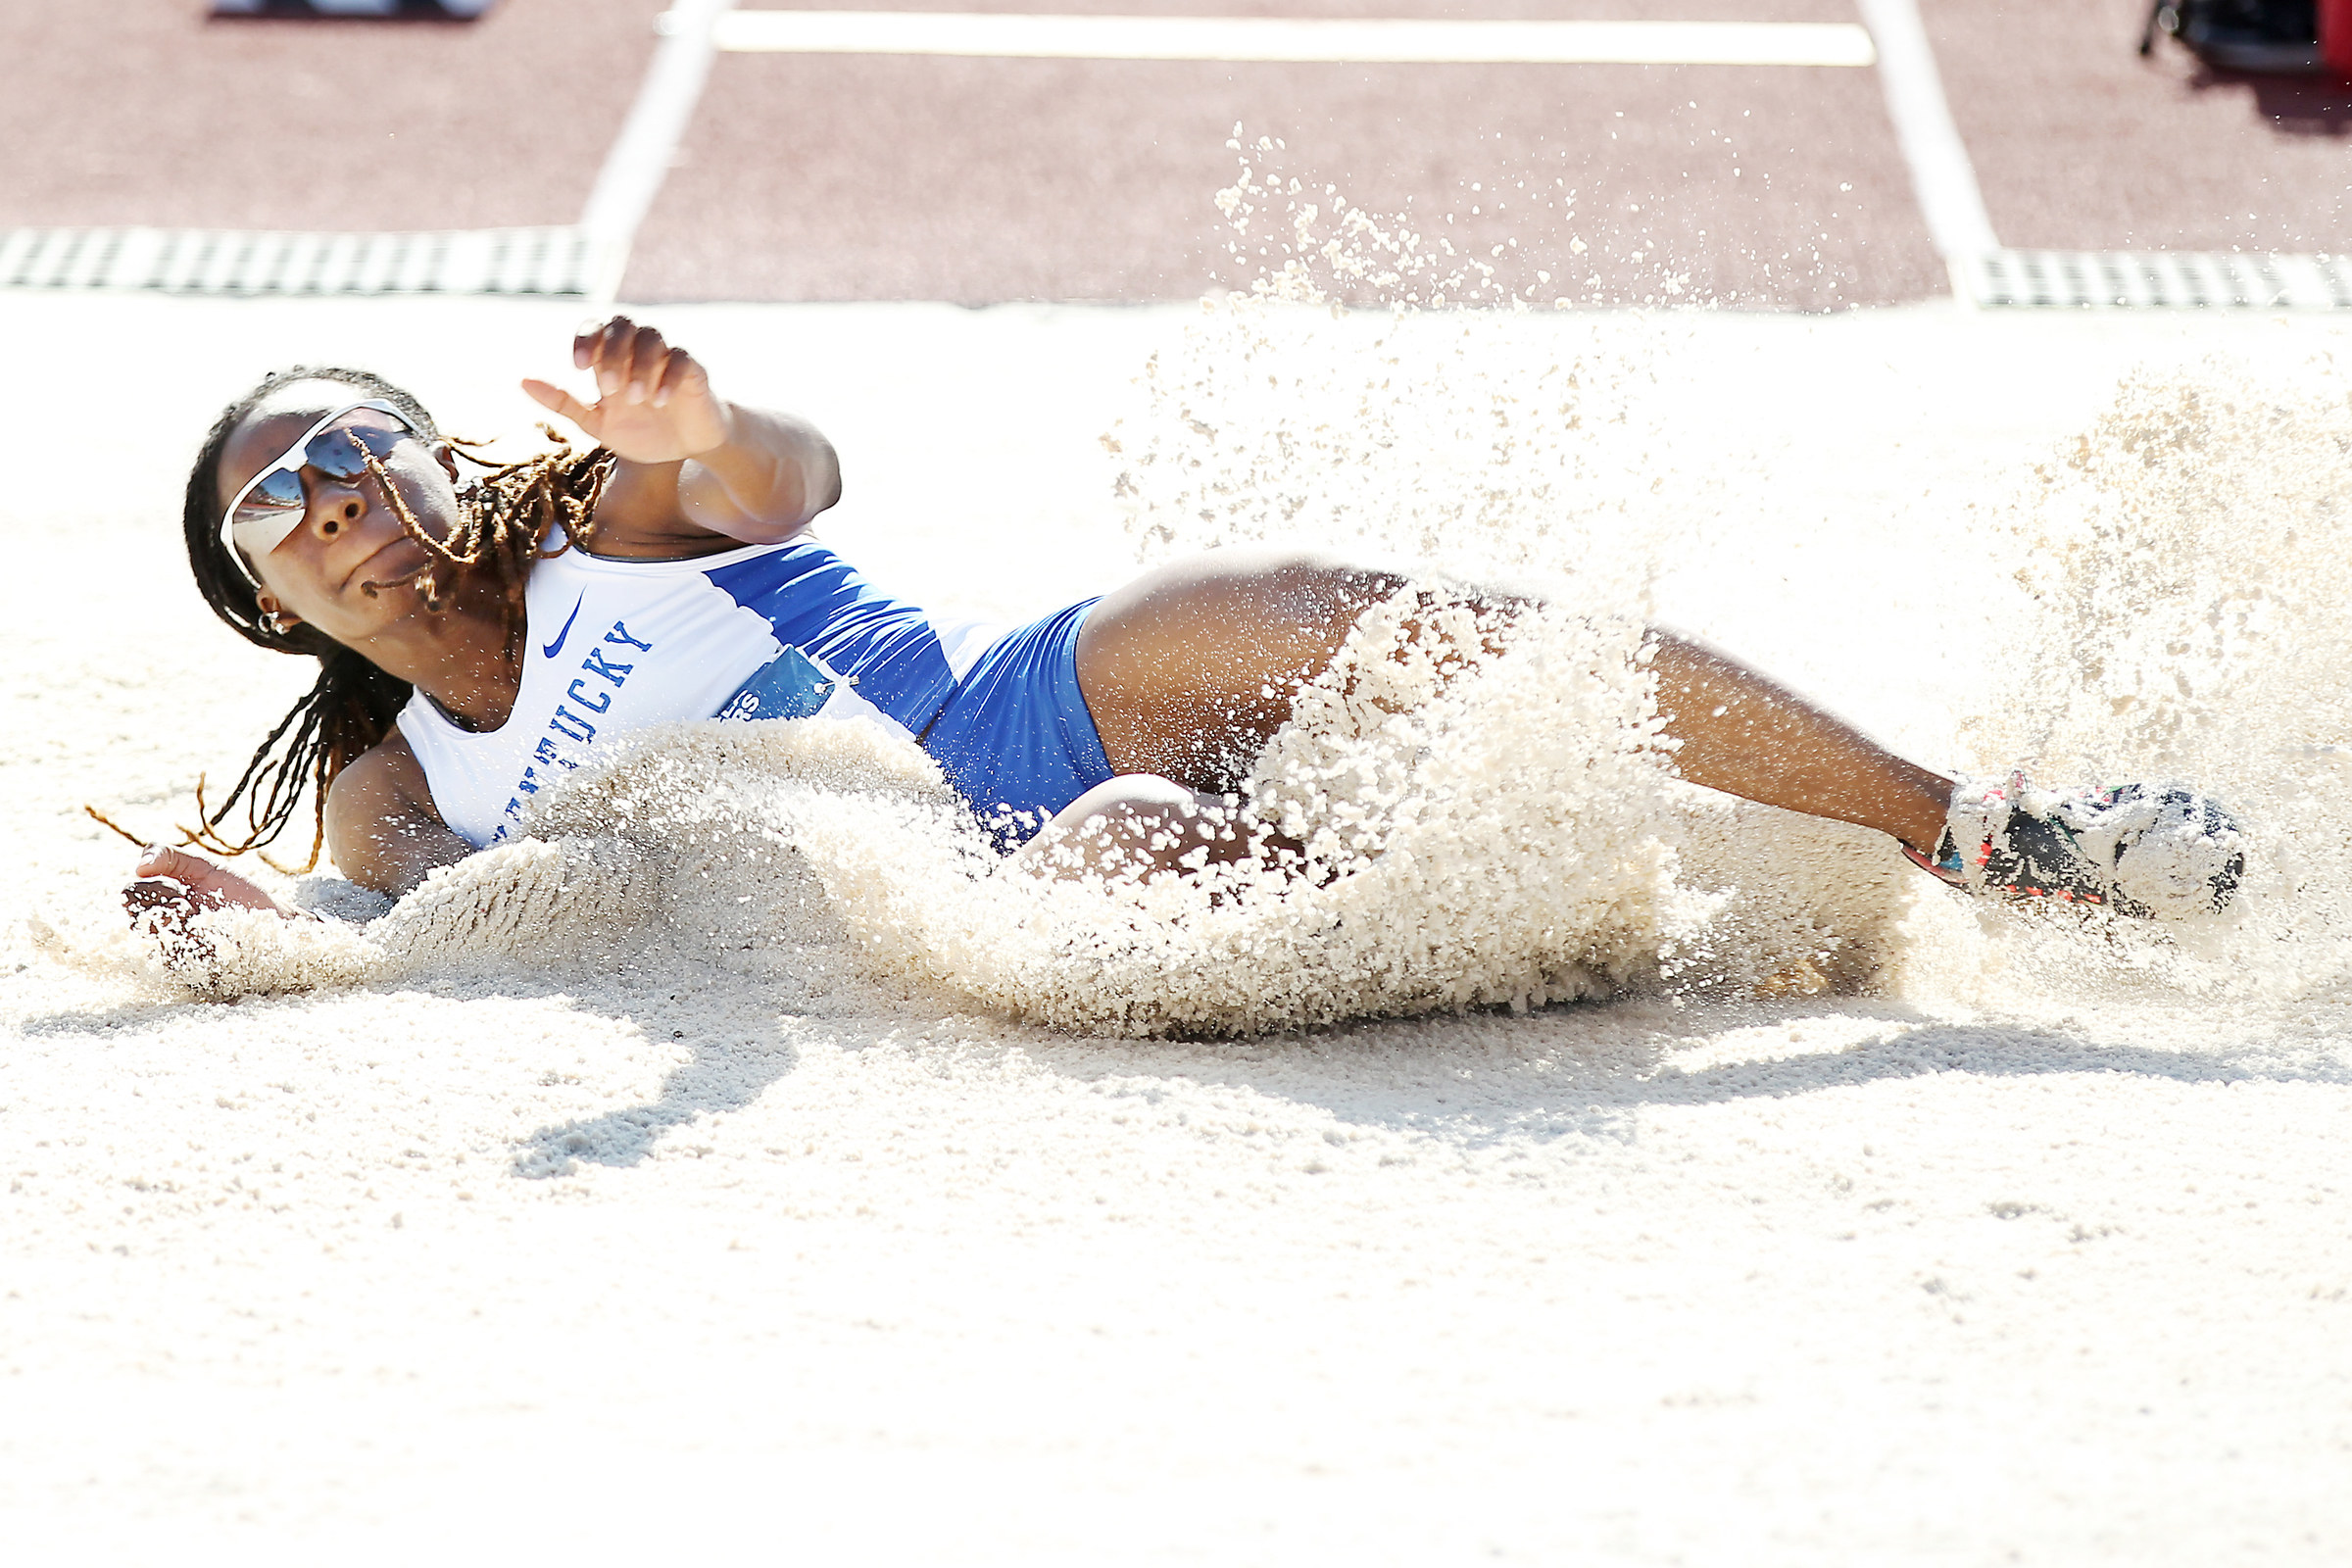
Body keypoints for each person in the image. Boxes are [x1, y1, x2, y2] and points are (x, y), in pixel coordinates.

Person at [125, 317, 2241, 935]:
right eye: (272, 503)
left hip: (1017, 697)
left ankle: (1972, 827)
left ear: (423, 450)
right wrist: (254, 913)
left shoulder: (606, 504)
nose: (329, 503)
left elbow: (785, 476)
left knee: (1313, 607)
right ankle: (1612, 887)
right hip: (968, 876)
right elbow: (389, 926)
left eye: (351, 449)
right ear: (258, 595)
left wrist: (703, 419)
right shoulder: (399, 774)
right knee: (1137, 853)